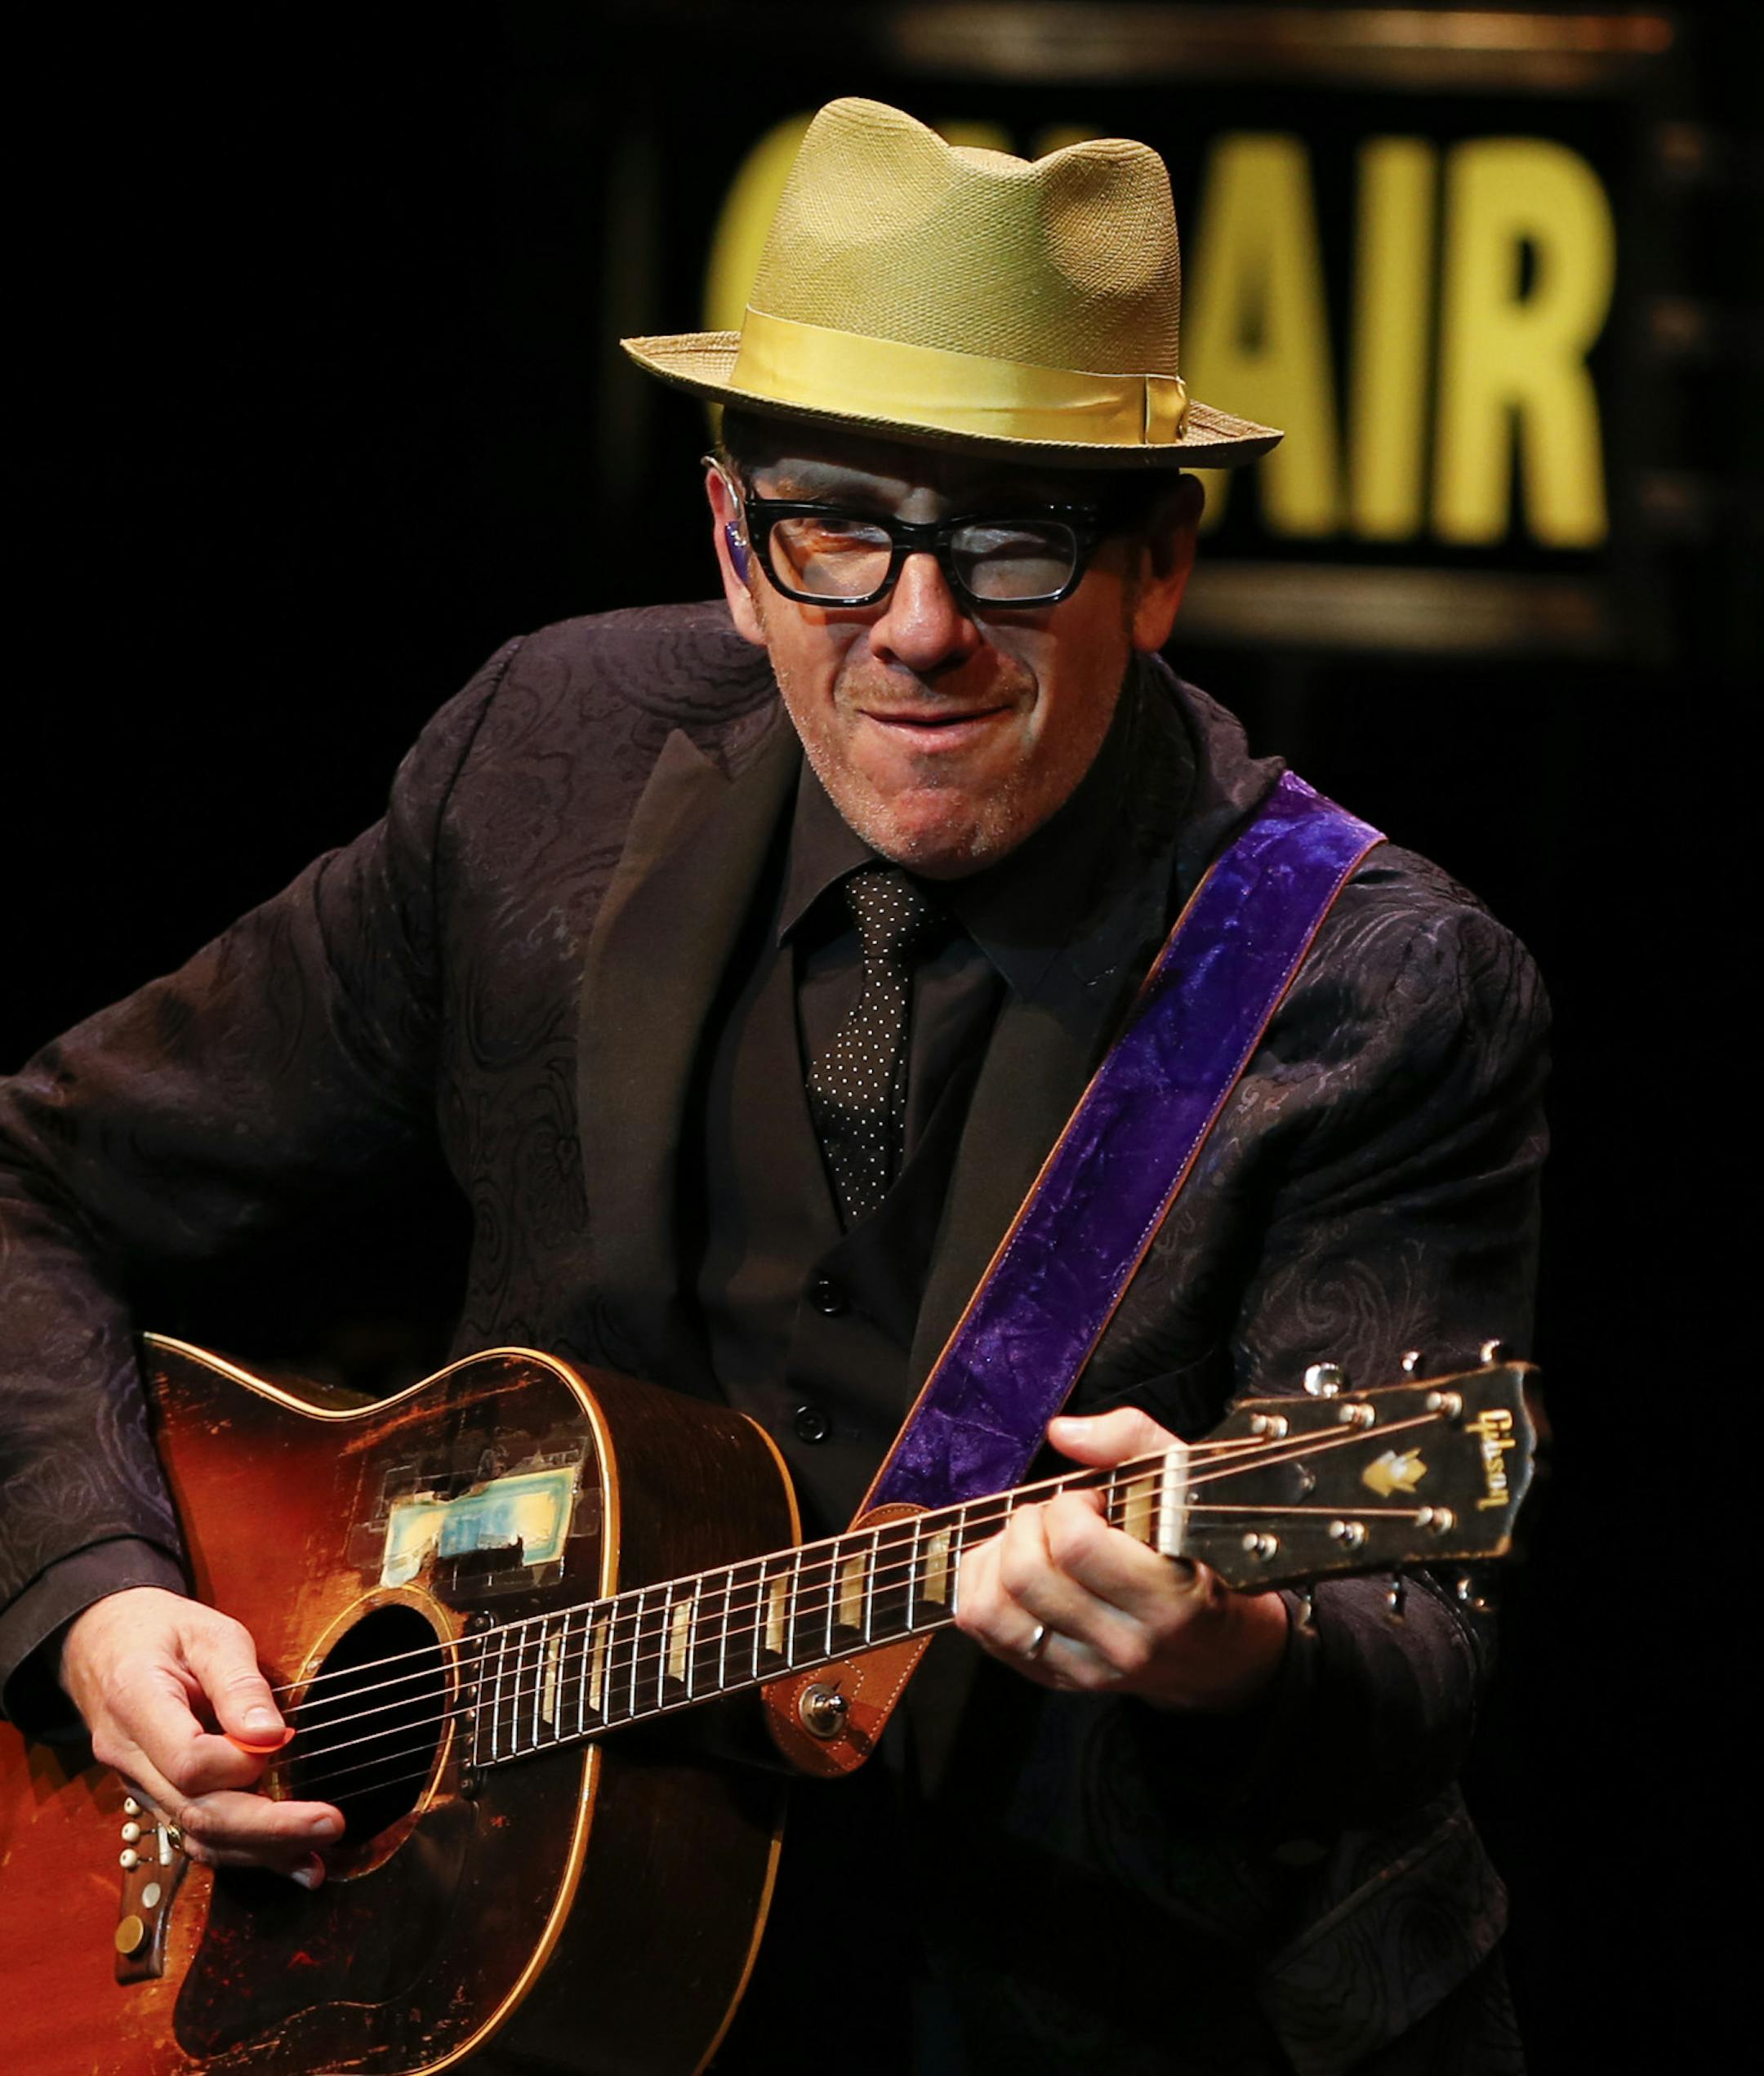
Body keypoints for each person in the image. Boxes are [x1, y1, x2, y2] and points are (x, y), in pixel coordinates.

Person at [0, 99, 1544, 2072]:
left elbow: (1411, 1634)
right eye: (836, 527)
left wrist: (1238, 1645)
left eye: (1011, 535)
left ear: (1158, 568)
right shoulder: (539, 773)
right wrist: (101, 1601)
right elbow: (35, 1187)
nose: (915, 627)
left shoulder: (1377, 983)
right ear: (735, 546)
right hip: (520, 1985)